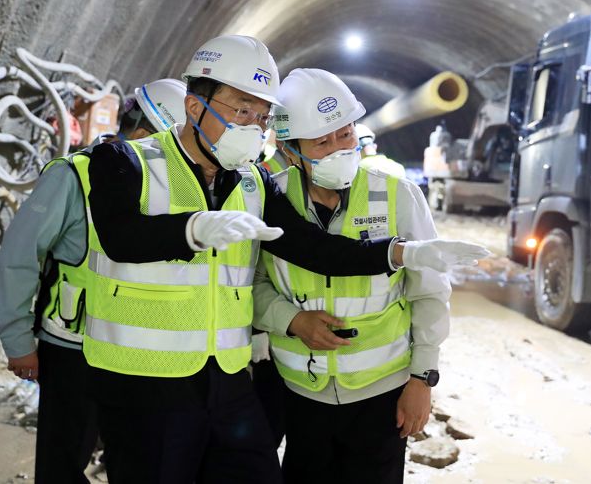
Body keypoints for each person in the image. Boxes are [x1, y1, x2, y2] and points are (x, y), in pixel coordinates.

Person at [82, 35, 484, 483]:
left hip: (227, 379)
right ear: (195, 107)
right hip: (144, 382)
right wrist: (192, 230)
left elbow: (316, 249)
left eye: (261, 117)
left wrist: (403, 251)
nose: (253, 127)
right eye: (242, 112)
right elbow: (120, 237)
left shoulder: (252, 182)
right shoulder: (123, 160)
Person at [254, 68, 488, 484]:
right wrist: (291, 320)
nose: (338, 149)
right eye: (322, 142)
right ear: (291, 150)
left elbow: (429, 292)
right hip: (301, 391)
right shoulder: (270, 200)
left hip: (382, 393)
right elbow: (252, 284)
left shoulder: (397, 195)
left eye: (345, 134)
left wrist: (422, 379)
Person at [0, 78, 187, 484]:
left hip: (140, 354)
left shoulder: (172, 188)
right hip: (75, 353)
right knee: (62, 465)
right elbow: (18, 257)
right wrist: (18, 341)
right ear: (142, 133)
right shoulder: (74, 176)